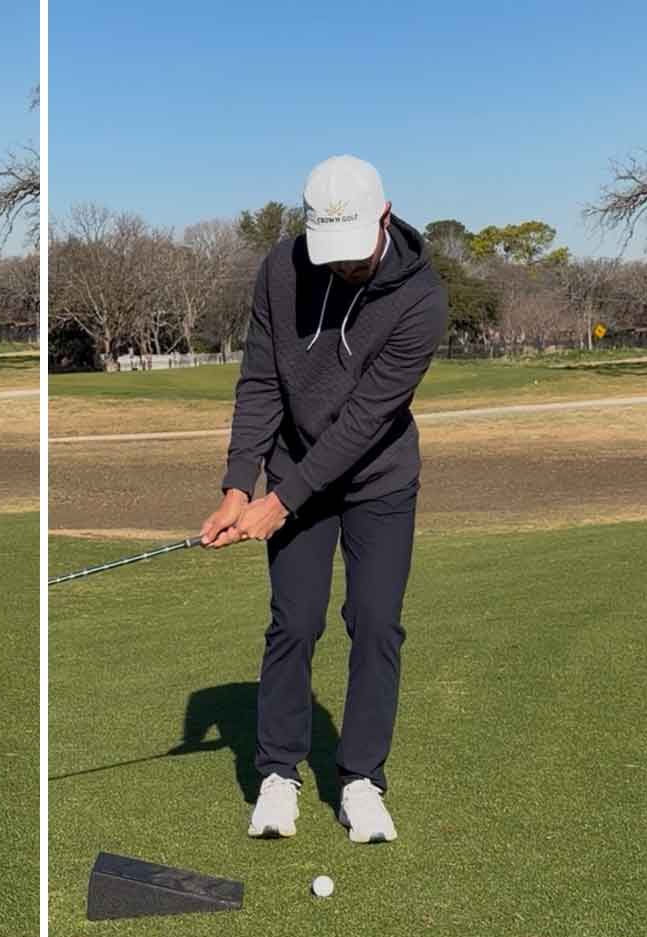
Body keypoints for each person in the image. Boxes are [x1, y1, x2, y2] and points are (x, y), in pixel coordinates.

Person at [198, 155, 448, 843]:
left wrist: (279, 503)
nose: (342, 269)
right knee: (295, 623)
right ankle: (279, 772)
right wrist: (238, 486)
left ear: (385, 219)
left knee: (374, 623)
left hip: (379, 479)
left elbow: (367, 420)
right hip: (292, 469)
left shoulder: (422, 299)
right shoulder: (280, 270)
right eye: (329, 255)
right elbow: (260, 383)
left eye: (354, 254)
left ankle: (362, 780)